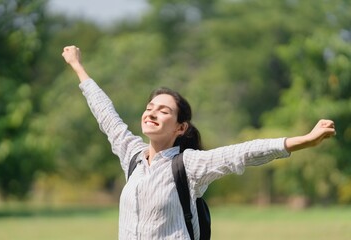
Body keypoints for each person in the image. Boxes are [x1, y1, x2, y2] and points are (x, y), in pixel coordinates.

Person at [61, 45, 336, 240]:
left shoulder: (188, 165)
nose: (152, 112)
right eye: (149, 107)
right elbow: (107, 115)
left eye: (164, 110)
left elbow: (242, 153)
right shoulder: (132, 156)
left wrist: (304, 141)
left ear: (180, 128)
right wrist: (78, 67)